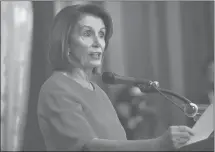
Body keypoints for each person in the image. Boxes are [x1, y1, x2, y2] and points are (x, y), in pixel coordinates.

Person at [37, 3, 195, 151]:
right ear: (66, 43)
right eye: (87, 33)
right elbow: (89, 147)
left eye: (101, 34)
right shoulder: (56, 89)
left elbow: (119, 144)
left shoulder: (97, 91)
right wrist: (158, 144)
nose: (98, 42)